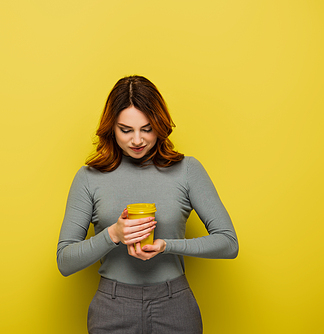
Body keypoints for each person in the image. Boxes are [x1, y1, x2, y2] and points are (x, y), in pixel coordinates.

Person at [56, 75, 239, 334]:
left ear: (160, 125)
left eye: (147, 128)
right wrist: (113, 234)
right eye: (126, 130)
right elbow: (65, 261)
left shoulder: (187, 170)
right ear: (111, 128)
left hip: (175, 305)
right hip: (112, 307)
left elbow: (229, 243)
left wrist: (167, 246)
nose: (137, 140)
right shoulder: (88, 178)